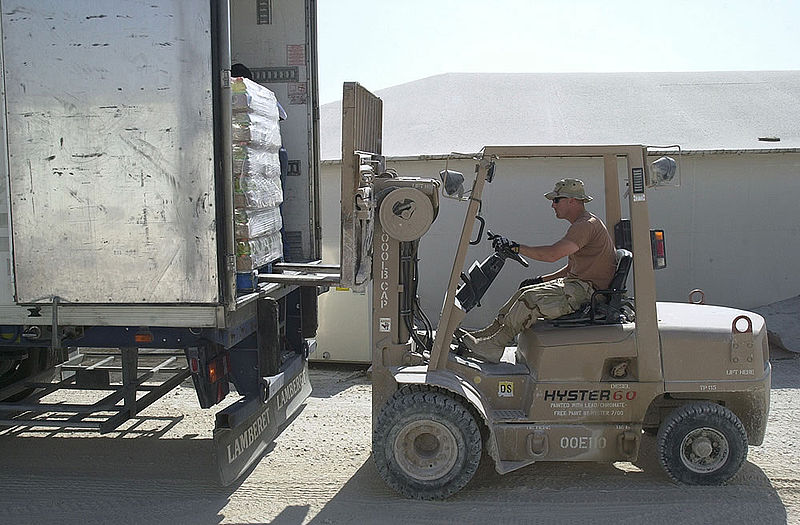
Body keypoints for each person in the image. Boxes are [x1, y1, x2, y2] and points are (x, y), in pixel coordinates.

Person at [460, 178, 617, 362]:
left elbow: (551, 255)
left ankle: (494, 346)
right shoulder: (583, 224)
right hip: (579, 286)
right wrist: (540, 280)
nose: (552, 205)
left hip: (588, 293)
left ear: (572, 201)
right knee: (524, 291)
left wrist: (516, 247)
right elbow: (571, 269)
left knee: (530, 299)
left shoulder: (585, 225)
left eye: (556, 200)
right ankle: (487, 337)